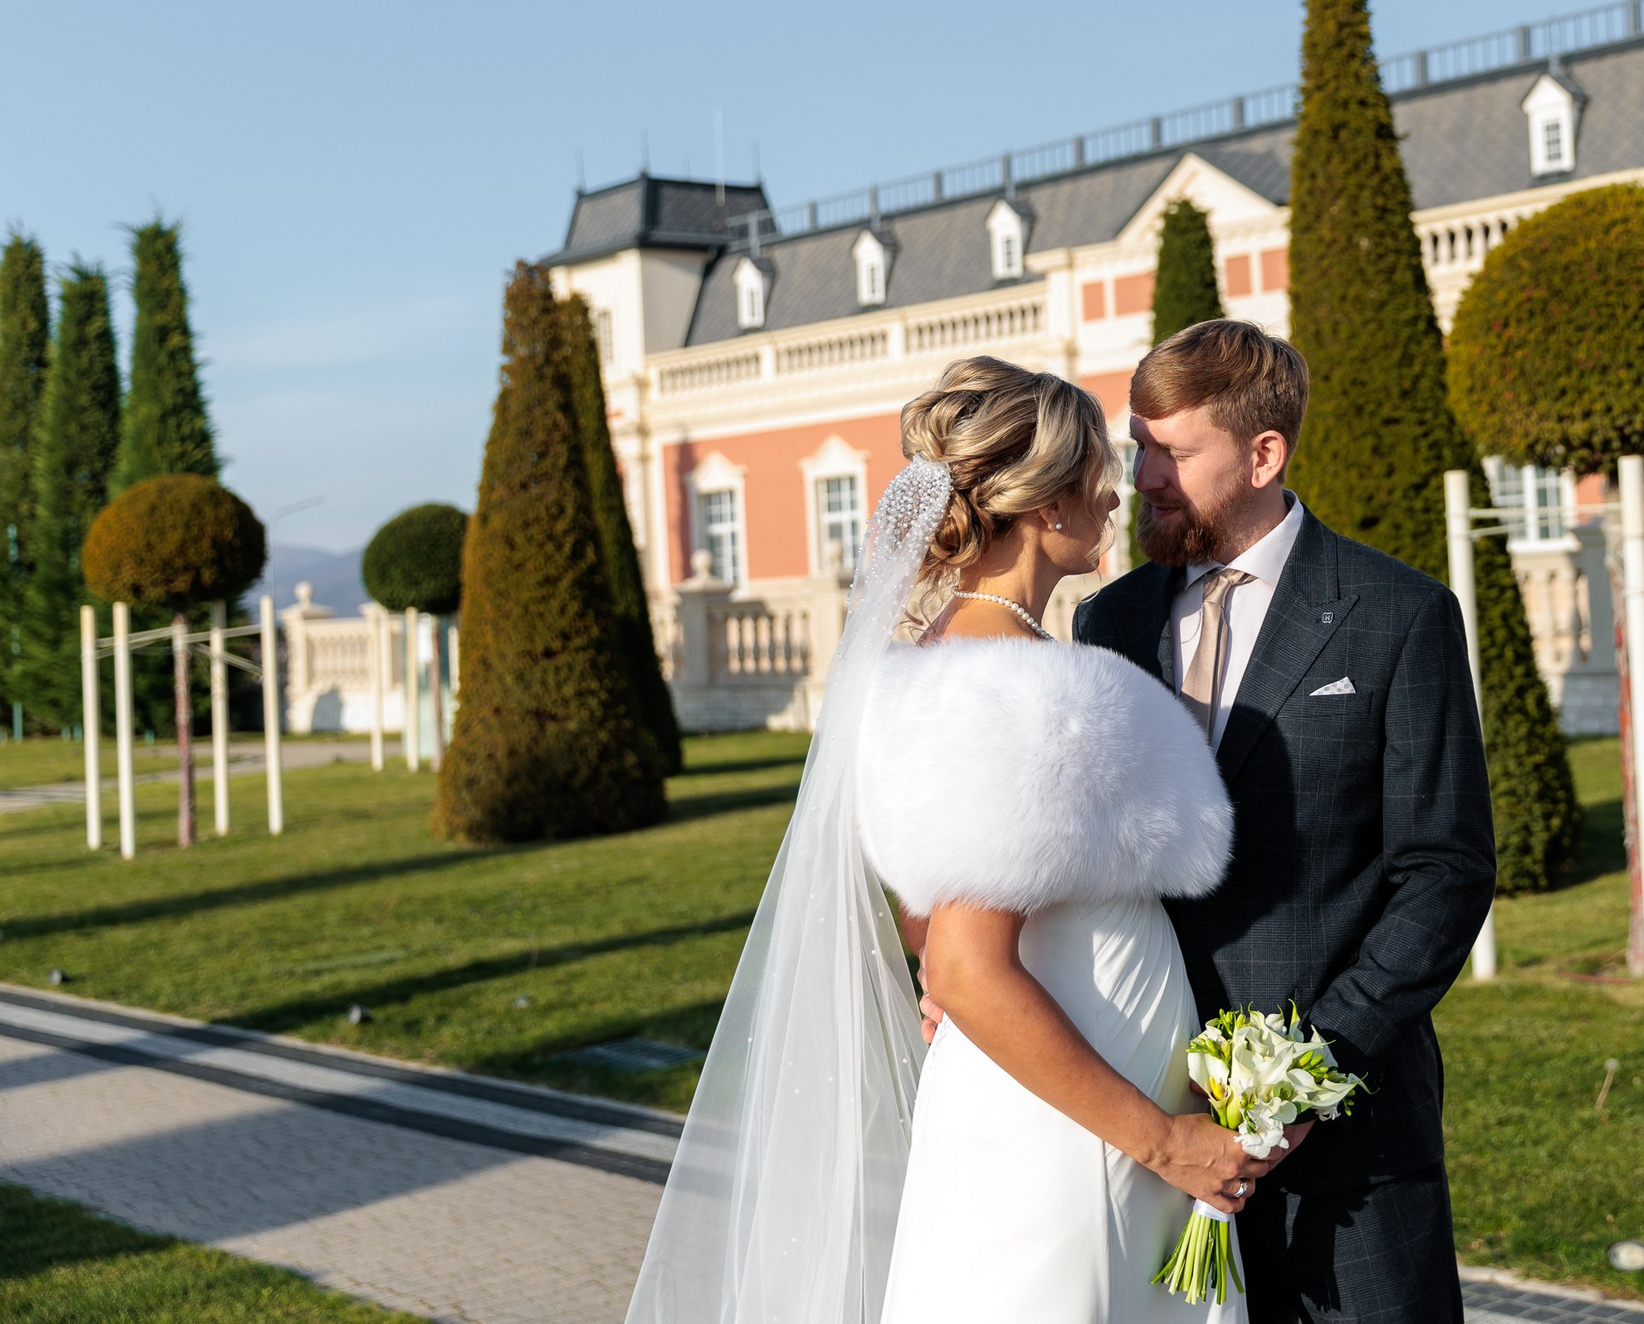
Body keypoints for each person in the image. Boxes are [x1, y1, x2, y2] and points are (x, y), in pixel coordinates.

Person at [626, 356, 1272, 1324]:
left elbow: (931, 920)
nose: (1112, 493)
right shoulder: (1016, 688)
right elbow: (970, 969)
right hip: (1078, 1121)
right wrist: (1163, 1142)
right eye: (1096, 470)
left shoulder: (918, 669)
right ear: (1047, 503)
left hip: (1021, 1092)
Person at [1075, 319, 1497, 1324]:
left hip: (1348, 1150)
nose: (1144, 478)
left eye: (1173, 453)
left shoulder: (1398, 614)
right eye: (1138, 447)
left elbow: (1445, 870)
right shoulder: (1109, 622)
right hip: (1148, 1124)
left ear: (1264, 454)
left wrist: (1309, 1077)